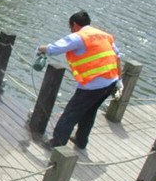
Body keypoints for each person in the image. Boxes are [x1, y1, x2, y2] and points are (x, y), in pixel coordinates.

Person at [37, 10, 121, 150]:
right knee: (90, 112)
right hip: (111, 81)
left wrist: (39, 48)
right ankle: (81, 141)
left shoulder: (78, 37)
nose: (70, 30)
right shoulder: (103, 35)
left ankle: (57, 144)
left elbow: (54, 49)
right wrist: (119, 81)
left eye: (70, 27)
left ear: (75, 24)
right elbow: (117, 56)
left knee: (71, 113)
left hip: (93, 84)